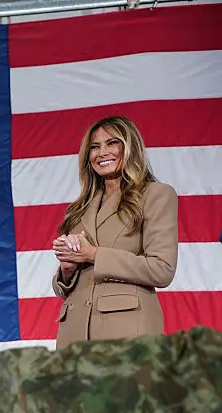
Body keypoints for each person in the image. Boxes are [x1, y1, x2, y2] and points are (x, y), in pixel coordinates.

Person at [51, 115, 179, 349]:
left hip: (126, 334)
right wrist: (67, 271)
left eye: (112, 143)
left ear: (130, 147)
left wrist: (93, 255)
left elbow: (162, 270)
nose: (102, 153)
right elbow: (67, 289)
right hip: (74, 337)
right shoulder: (78, 209)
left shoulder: (155, 195)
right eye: (94, 147)